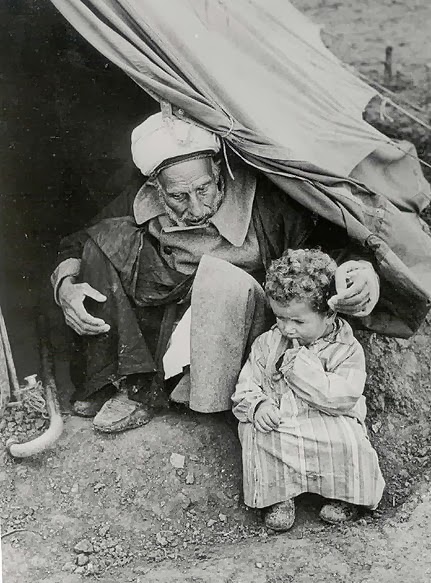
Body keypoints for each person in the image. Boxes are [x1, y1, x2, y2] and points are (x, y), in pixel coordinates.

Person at [51, 111, 381, 433]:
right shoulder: (142, 198)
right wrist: (66, 284)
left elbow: (328, 244)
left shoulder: (266, 200)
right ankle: (129, 384)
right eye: (178, 196)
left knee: (219, 278)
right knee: (103, 242)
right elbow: (79, 241)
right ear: (156, 186)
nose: (196, 208)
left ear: (218, 169)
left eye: (204, 189)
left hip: (240, 318)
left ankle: (201, 399)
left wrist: (360, 272)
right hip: (171, 310)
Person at [231, 248, 385, 531]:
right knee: (256, 433)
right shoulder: (268, 343)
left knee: (350, 442)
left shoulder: (346, 348)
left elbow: (344, 397)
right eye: (280, 318)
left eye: (298, 321)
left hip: (328, 421)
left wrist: (302, 371)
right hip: (283, 422)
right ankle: (279, 496)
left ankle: (344, 496)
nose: (287, 329)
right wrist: (259, 405)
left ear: (329, 314)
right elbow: (246, 385)